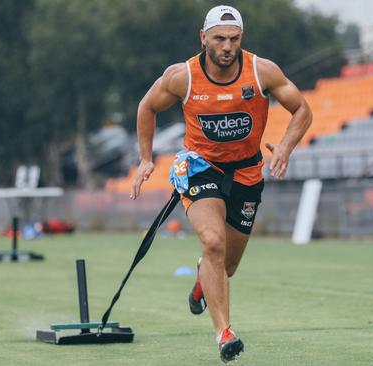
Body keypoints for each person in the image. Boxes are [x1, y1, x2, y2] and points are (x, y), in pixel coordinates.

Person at [130, 5, 312, 363]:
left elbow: (302, 109)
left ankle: (203, 281)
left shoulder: (262, 72)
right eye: (219, 39)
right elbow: (147, 107)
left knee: (227, 265)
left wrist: (286, 147)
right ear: (204, 38)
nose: (227, 46)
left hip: (247, 171)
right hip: (200, 167)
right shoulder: (182, 76)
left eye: (234, 39)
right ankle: (224, 333)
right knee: (212, 242)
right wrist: (146, 158)